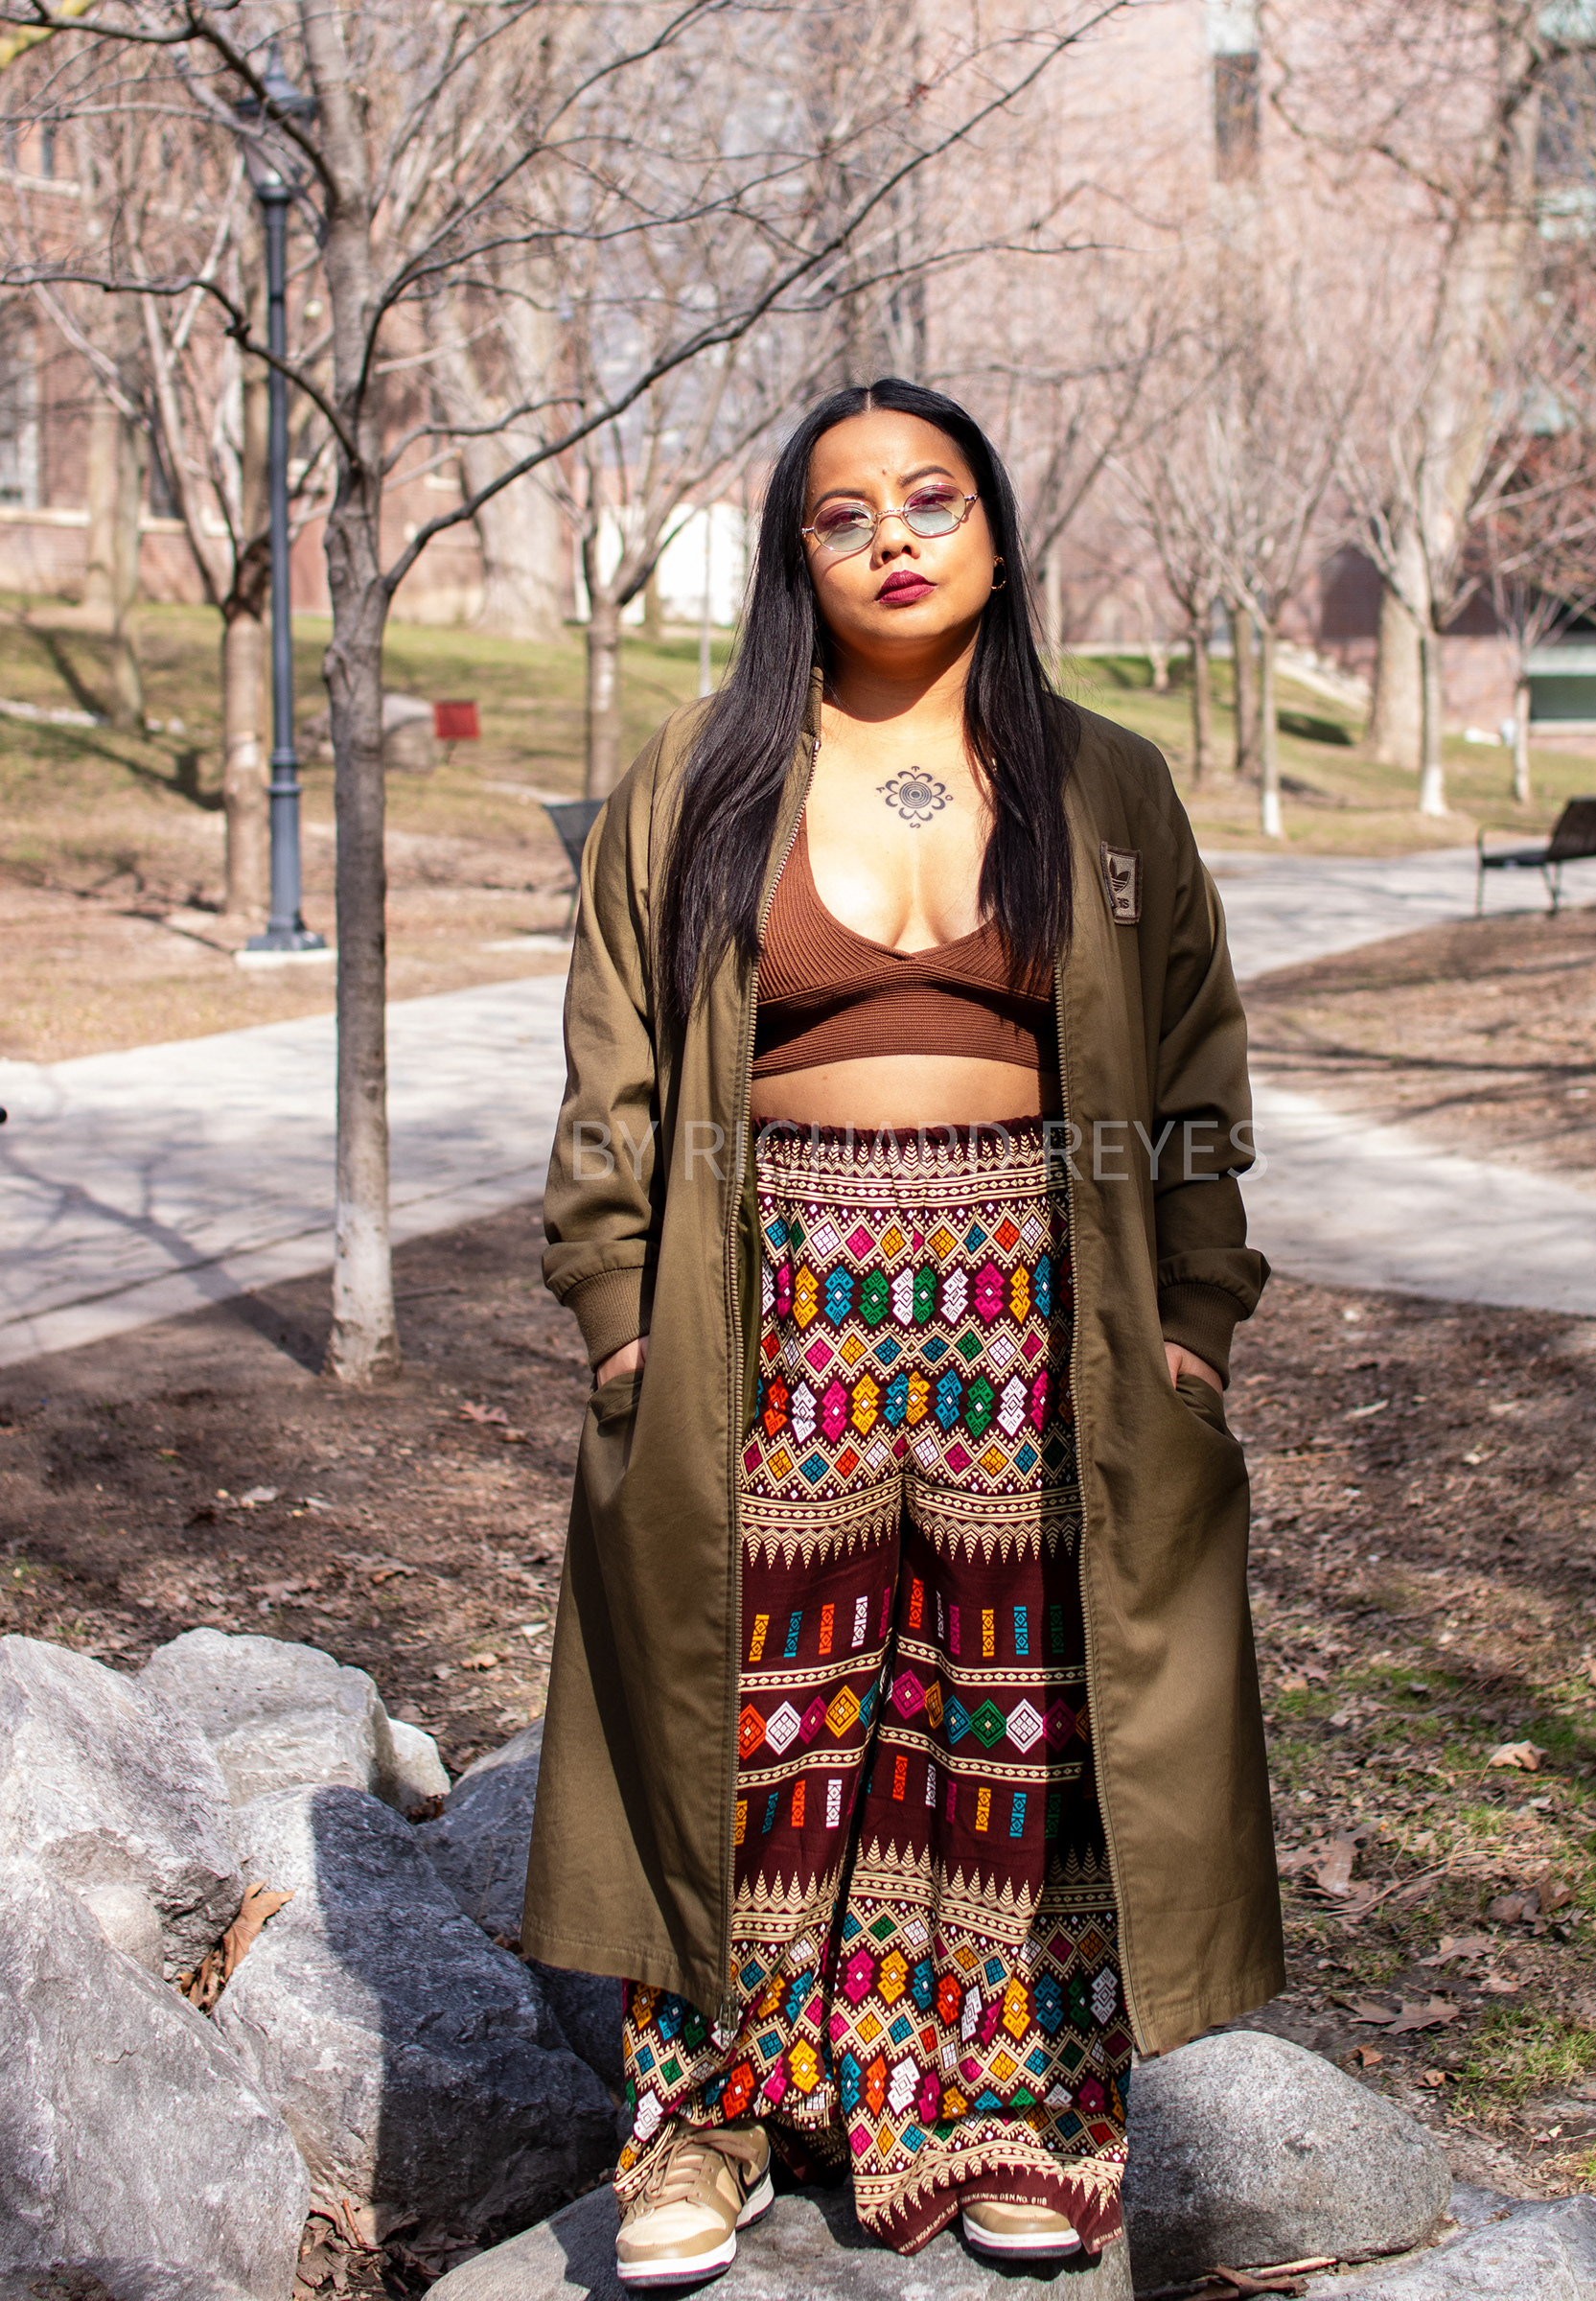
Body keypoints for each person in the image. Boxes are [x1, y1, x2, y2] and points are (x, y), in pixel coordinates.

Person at [523, 378, 1283, 2286]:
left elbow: (1193, 1062)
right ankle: (708, 2126)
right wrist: (618, 1322)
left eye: (931, 499)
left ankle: (1015, 2111)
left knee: (1020, 1718)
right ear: (799, 557)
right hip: (768, 1308)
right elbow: (612, 1069)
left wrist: (1194, 1322)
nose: (893, 538)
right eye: (844, 512)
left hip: (1044, 1312)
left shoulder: (1106, 786)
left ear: (997, 537)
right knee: (757, 1714)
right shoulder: (699, 778)